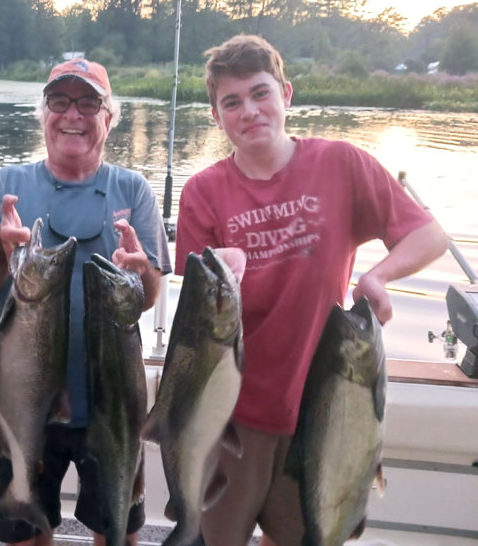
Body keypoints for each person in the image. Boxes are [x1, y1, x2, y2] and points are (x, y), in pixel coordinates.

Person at [175, 34, 449, 546]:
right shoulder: (203, 192)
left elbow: (430, 235)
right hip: (229, 418)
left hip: (322, 409)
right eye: (231, 102)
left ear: (286, 94)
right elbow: (193, 317)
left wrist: (380, 275)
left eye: (260, 93)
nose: (249, 111)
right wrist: (219, 269)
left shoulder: (342, 163)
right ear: (216, 116)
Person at [0, 59, 172, 546]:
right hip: (22, 401)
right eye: (59, 102)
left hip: (112, 404)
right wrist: (0, 244)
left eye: (88, 103)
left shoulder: (134, 190)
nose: (72, 115)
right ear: (43, 114)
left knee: (119, 532)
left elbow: (147, 300)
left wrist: (142, 270)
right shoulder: (7, 185)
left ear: (110, 118)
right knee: (24, 534)